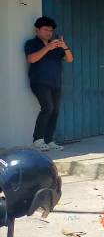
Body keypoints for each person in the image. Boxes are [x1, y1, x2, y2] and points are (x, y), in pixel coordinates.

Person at [24, 16, 74, 151]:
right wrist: (48, 48)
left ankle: (49, 140)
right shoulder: (31, 43)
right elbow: (31, 59)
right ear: (37, 30)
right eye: (45, 29)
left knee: (55, 111)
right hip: (39, 82)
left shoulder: (56, 46)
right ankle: (37, 141)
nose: (49, 33)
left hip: (56, 83)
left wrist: (65, 47)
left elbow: (69, 59)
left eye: (51, 31)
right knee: (48, 108)